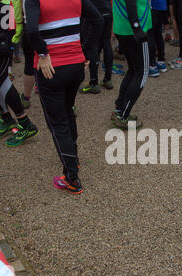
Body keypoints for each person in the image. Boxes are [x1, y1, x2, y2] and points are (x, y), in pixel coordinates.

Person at [25, 0, 102, 194]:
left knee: (58, 123)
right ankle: (73, 161)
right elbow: (98, 20)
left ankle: (71, 177)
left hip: (51, 69)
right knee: (67, 112)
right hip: (75, 66)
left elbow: (31, 31)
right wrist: (86, 51)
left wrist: (43, 53)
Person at [0, 0, 39, 147]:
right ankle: (6, 119)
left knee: (1, 79)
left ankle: (26, 124)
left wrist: (5, 39)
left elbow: (7, 7)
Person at [111, 0, 152, 129]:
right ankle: (123, 115)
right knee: (141, 73)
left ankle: (120, 110)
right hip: (134, 30)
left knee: (133, 70)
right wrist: (136, 27)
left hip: (122, 27)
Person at [148, 0, 169, 77]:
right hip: (161, 7)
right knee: (158, 35)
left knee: (151, 36)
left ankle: (152, 65)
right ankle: (161, 61)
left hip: (152, 7)